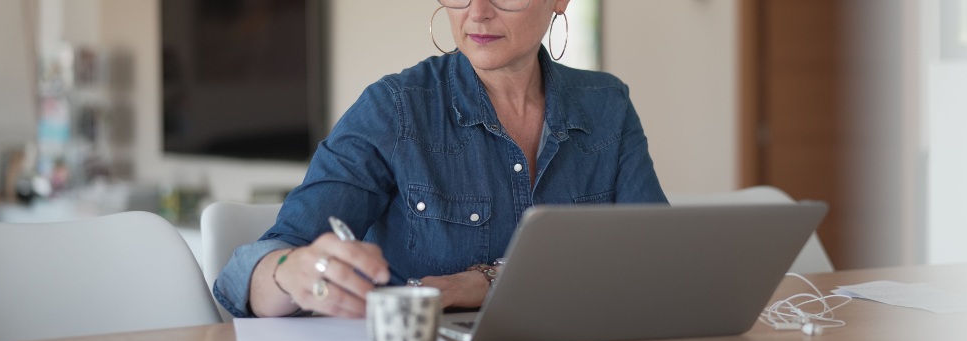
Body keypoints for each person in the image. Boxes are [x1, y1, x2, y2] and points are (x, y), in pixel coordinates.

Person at [214, 0, 666, 318]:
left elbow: (659, 264)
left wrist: (491, 281)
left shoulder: (608, 106)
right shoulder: (393, 109)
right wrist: (288, 273)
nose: (477, 11)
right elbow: (255, 269)